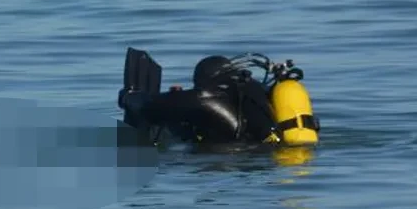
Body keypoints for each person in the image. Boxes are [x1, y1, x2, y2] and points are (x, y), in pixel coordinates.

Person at [117, 48, 319, 148]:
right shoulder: (251, 92)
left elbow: (151, 107)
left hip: (240, 157)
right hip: (266, 153)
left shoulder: (210, 98)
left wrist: (130, 97)